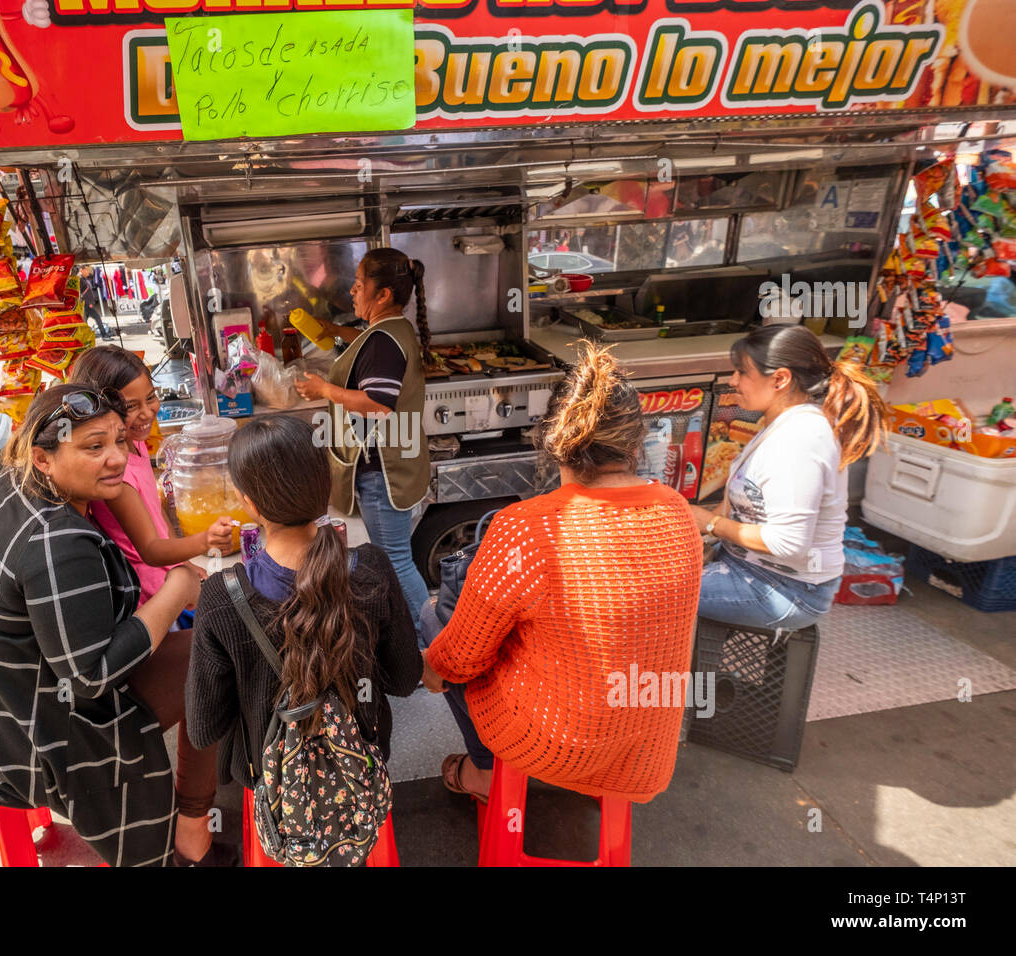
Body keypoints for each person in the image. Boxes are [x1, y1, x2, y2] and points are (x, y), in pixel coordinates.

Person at [0, 384, 233, 867]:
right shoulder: (56, 542)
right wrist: (177, 588)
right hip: (39, 735)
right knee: (217, 655)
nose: (117, 458)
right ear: (43, 458)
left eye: (119, 440)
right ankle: (192, 830)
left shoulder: (13, 488)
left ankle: (193, 816)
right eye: (93, 447)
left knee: (197, 642)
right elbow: (90, 678)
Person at [421, 343, 703, 803]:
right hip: (645, 749)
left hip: (553, 746)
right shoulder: (678, 513)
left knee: (435, 619)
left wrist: (433, 670)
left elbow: (464, 656)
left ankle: (485, 772)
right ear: (636, 443)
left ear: (553, 440)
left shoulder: (526, 527)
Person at [185, 415, 422, 794]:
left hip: (270, 783)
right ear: (323, 485)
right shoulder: (372, 568)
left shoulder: (220, 597)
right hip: (361, 772)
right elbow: (404, 680)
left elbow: (203, 730)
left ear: (250, 504)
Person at [688, 324, 889, 631]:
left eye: (742, 372)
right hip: (745, 566)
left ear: (780, 378)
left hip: (785, 589)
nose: (733, 381)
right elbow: (735, 507)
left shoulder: (801, 440)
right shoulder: (782, 423)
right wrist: (700, 541)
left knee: (645, 597)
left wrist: (711, 524)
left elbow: (787, 544)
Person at [293, 248, 432, 633]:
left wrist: (325, 389)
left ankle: (427, 645)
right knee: (396, 559)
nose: (353, 292)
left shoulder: (385, 341)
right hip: (395, 462)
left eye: (359, 285)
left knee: (396, 561)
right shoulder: (392, 329)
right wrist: (337, 332)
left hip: (382, 472)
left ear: (383, 294)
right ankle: (420, 637)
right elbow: (369, 343)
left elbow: (378, 405)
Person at [69, 345, 235, 600]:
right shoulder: (116, 475)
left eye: (151, 397)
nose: (147, 413)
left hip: (171, 571)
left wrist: (185, 563)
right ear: (102, 409)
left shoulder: (135, 444)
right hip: (150, 590)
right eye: (131, 406)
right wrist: (205, 540)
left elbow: (157, 515)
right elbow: (150, 550)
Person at [79, 265, 113, 340]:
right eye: (86, 270)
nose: (88, 272)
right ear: (81, 270)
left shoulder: (84, 279)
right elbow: (80, 294)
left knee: (84, 321)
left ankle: (85, 337)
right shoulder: (80, 279)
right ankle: (104, 335)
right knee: (97, 318)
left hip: (88, 303)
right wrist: (88, 302)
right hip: (87, 304)